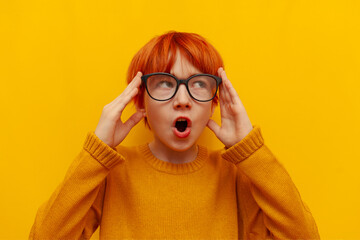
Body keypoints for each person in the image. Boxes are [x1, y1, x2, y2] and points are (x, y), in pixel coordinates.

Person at [29, 31, 320, 239]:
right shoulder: (111, 173)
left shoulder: (236, 175)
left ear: (214, 101)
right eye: (165, 83)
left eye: (200, 84)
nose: (183, 99)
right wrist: (96, 153)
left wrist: (252, 152)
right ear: (140, 99)